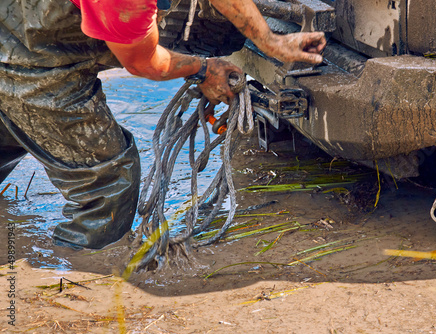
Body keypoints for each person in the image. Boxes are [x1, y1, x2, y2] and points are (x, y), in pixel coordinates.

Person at [0, 0, 326, 249]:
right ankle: (79, 276)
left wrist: (267, 39)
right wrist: (203, 69)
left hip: (21, 30)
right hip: (31, 64)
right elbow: (143, 61)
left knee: (8, 137)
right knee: (108, 179)